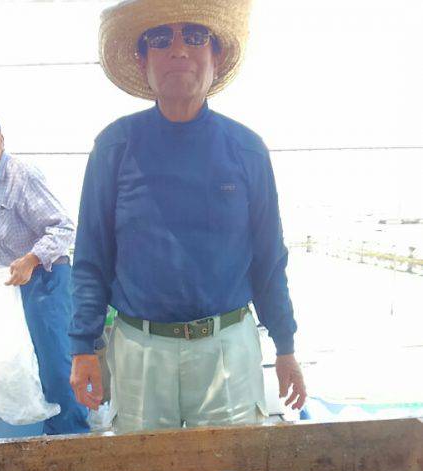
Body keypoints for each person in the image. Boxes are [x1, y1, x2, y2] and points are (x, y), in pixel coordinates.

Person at [70, 0, 306, 433]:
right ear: (143, 60)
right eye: (161, 38)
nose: (178, 49)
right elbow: (90, 258)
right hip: (140, 351)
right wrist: (83, 347)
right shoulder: (114, 147)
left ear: (215, 55)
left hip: (227, 350)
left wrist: (286, 347)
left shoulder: (247, 149)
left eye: (195, 36)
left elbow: (270, 261)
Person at [0, 108, 89, 435]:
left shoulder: (21, 175)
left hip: (45, 282)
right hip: (9, 289)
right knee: (21, 370)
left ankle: (72, 443)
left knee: (55, 368)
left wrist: (31, 259)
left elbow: (64, 228)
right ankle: (42, 446)